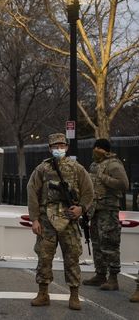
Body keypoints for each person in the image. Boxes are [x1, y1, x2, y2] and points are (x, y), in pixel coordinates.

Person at [27, 133, 93, 311]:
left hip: (69, 220)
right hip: (46, 220)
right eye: (55, 146)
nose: (59, 149)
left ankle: (74, 295)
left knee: (72, 258)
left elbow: (89, 192)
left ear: (67, 147)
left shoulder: (77, 168)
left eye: (62, 145)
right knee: (44, 257)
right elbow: (32, 192)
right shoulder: (42, 169)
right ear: (50, 148)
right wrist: (34, 219)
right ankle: (43, 293)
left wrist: (81, 209)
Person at [82, 138, 129, 291]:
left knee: (110, 244)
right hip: (95, 210)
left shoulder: (114, 164)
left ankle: (113, 278)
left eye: (98, 148)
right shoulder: (94, 165)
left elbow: (124, 184)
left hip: (108, 210)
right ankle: (100, 274)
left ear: (106, 150)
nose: (95, 151)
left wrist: (103, 177)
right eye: (94, 148)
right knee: (97, 243)